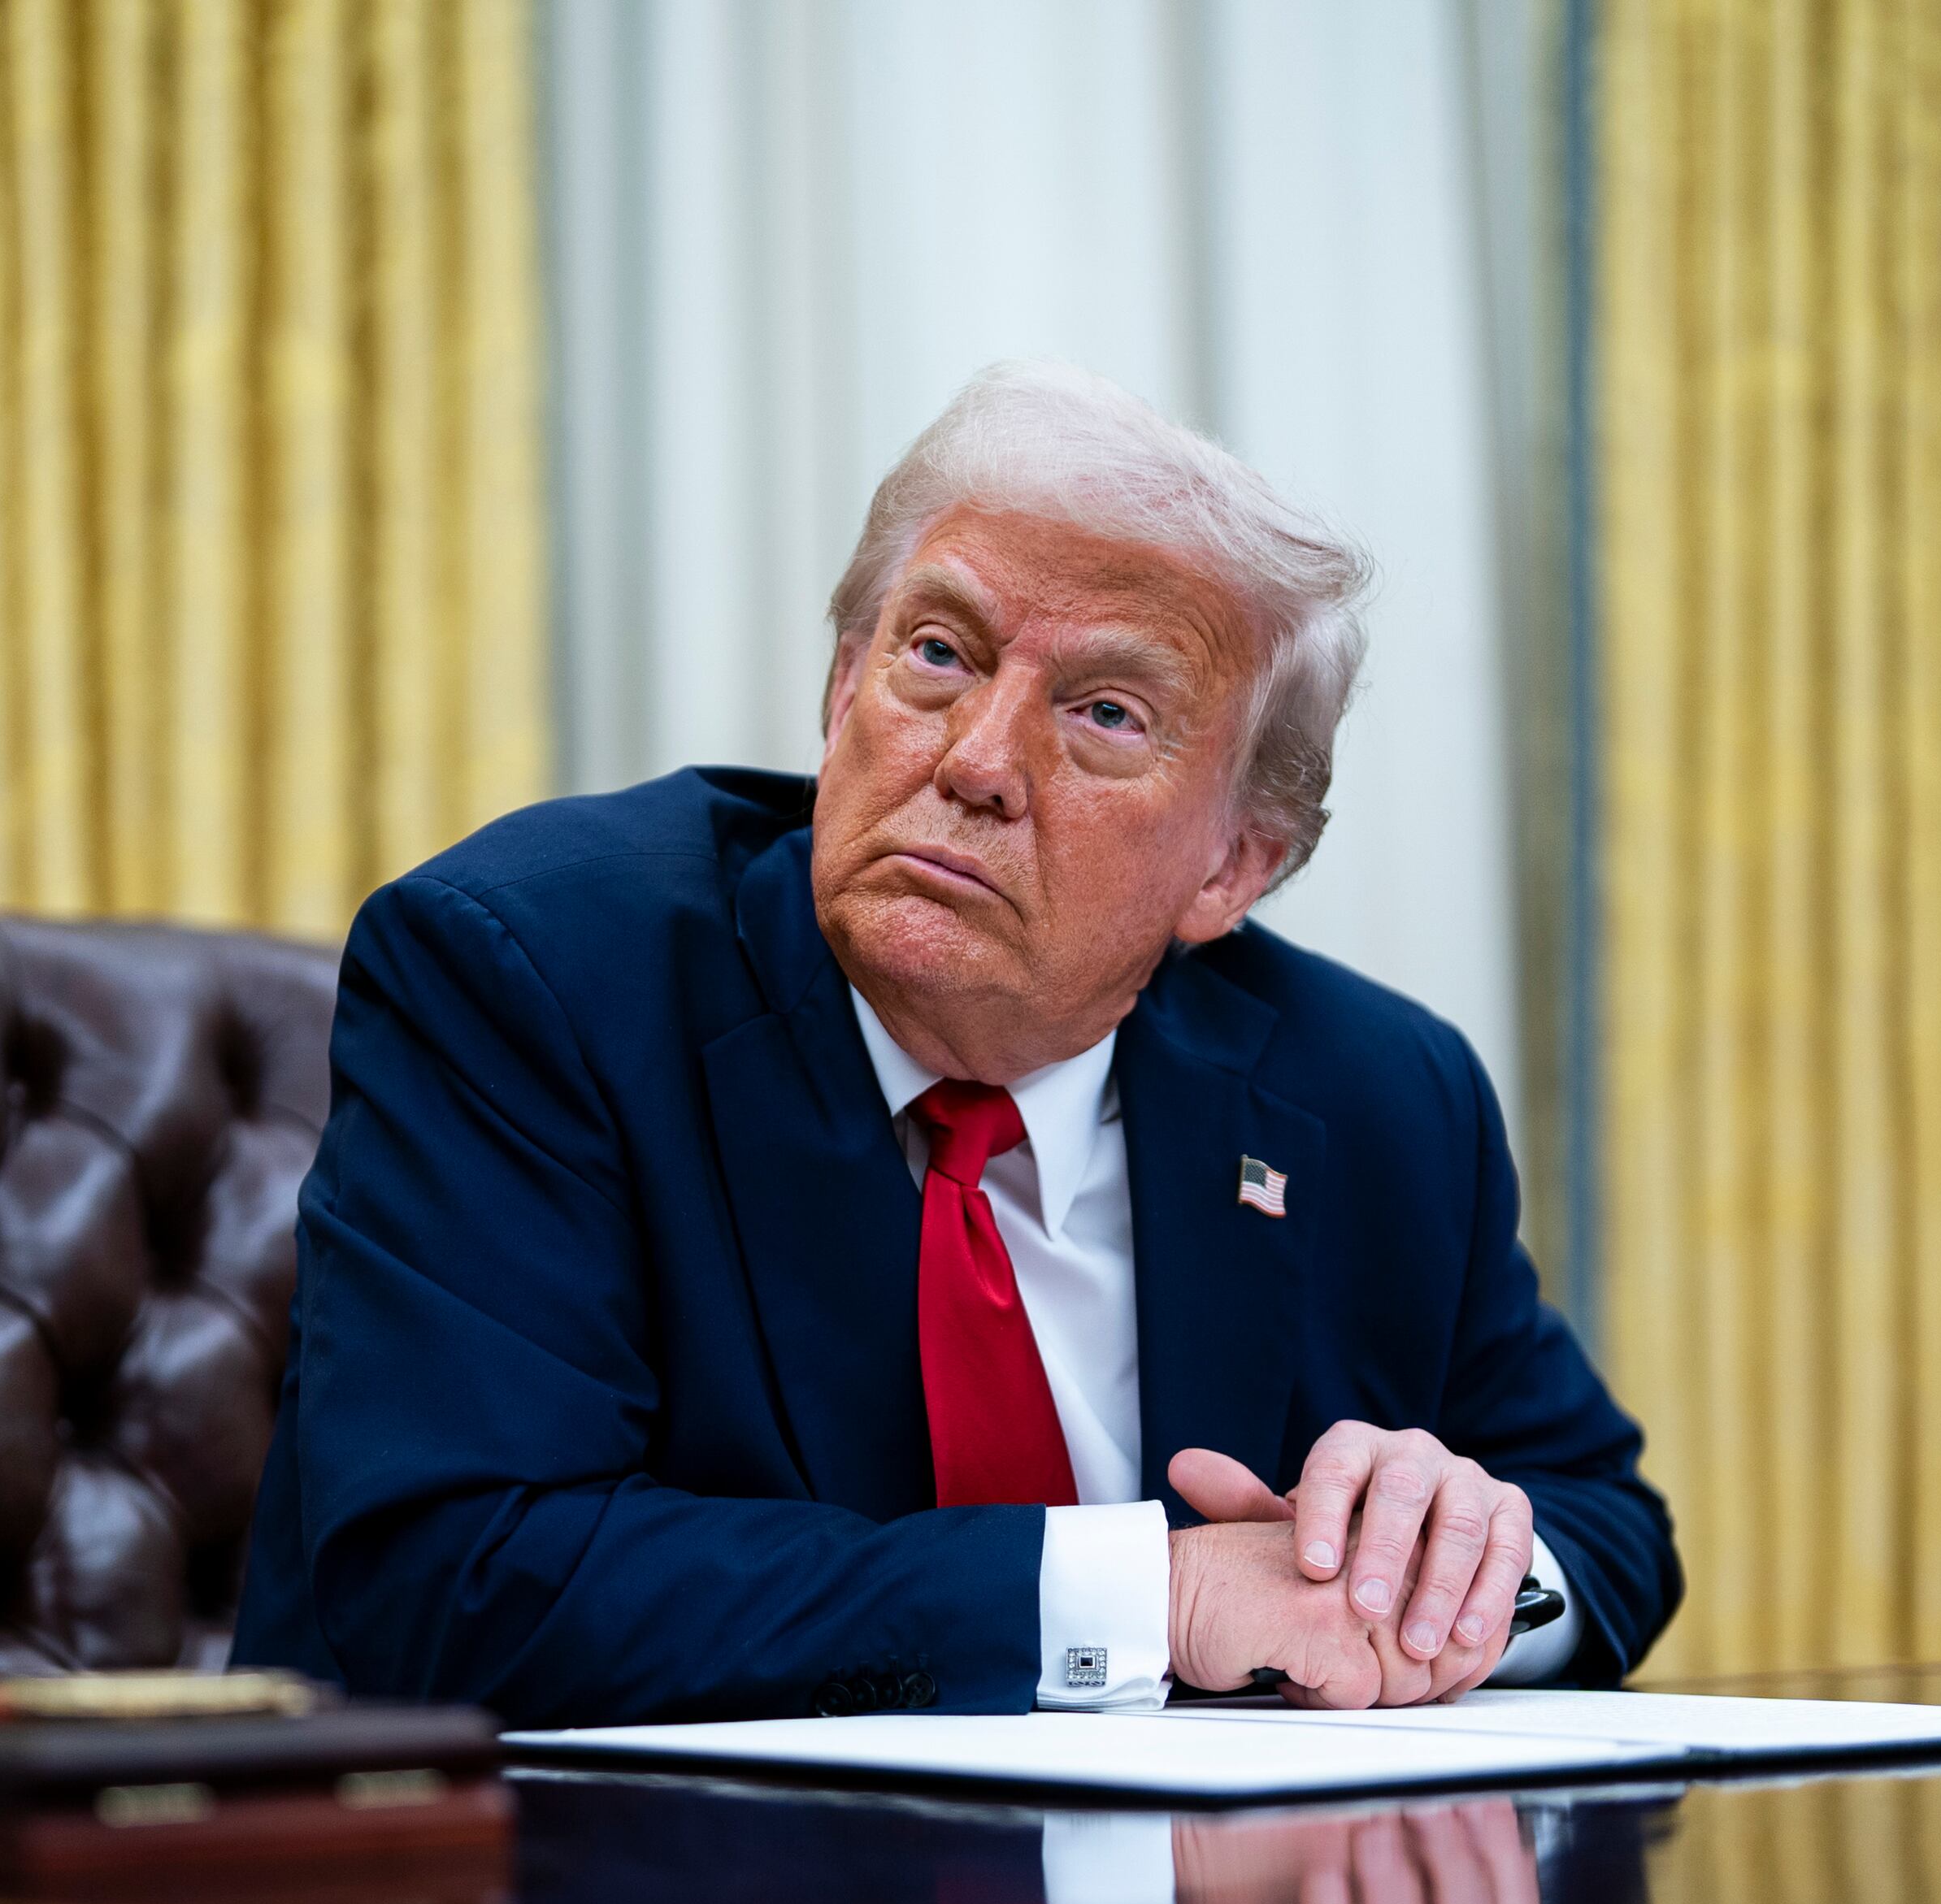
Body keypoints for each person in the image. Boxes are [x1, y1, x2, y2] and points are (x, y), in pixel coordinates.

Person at [237, 362, 1679, 1724]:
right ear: (841, 688)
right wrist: (1152, 1597)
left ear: (1233, 865)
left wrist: (1434, 1579)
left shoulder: (1376, 1096)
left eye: (1105, 713)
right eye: (937, 653)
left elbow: (1604, 1521)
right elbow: (455, 1579)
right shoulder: (535, 977)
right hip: (595, 1899)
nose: (978, 761)